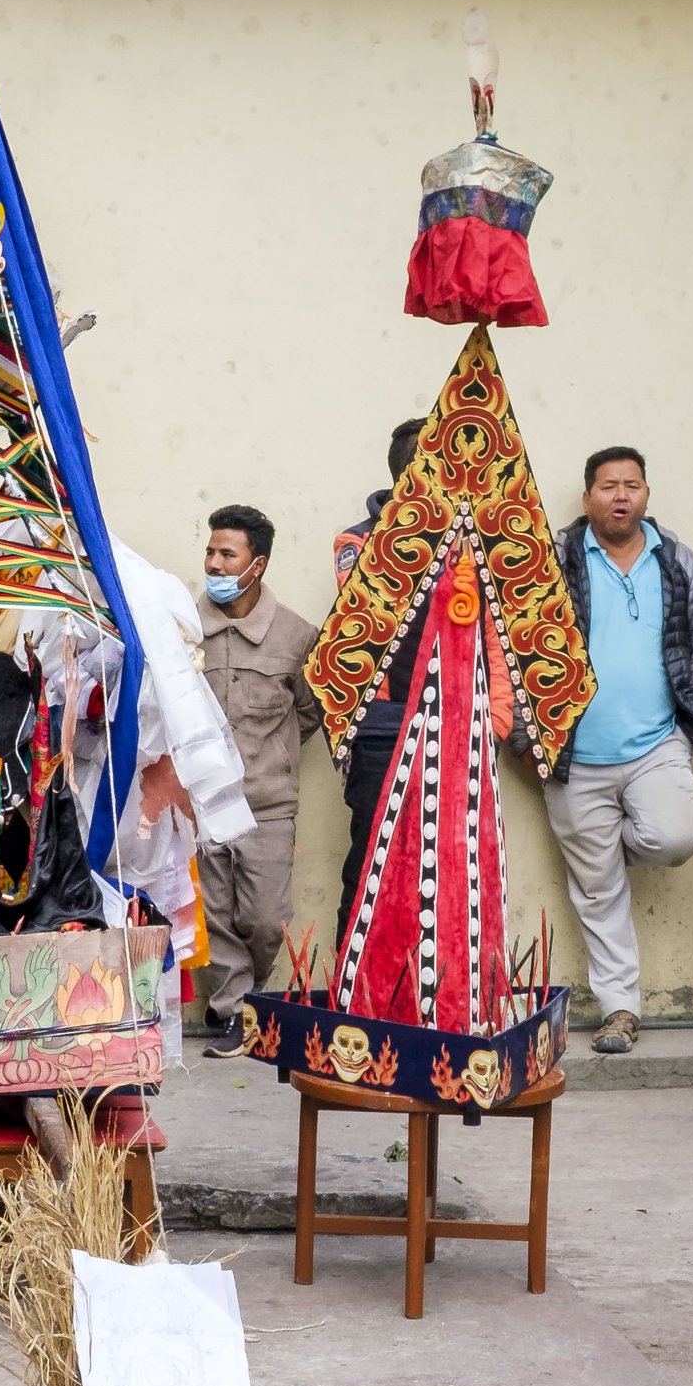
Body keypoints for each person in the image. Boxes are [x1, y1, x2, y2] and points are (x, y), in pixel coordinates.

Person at [542, 446, 693, 1055]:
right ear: (587, 495)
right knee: (598, 893)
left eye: (633, 485)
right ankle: (621, 1011)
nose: (622, 495)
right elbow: (518, 642)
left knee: (672, 839)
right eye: (609, 486)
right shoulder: (556, 558)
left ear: (647, 494)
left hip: (656, 744)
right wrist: (526, 737)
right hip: (573, 755)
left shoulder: (676, 561)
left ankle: (607, 845)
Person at [195, 502, 320, 1055]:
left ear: (257, 564)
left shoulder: (295, 636)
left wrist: (276, 757)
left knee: (264, 918)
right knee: (215, 915)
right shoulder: (183, 627)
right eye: (211, 551)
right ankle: (234, 1013)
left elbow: (311, 711)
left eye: (228, 554)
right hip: (201, 800)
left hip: (267, 802)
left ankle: (255, 996)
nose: (215, 564)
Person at [330, 415, 427, 935]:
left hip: (454, 726)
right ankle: (356, 988)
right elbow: (375, 612)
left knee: (443, 866)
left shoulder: (476, 539)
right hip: (381, 730)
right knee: (371, 861)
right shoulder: (358, 541)